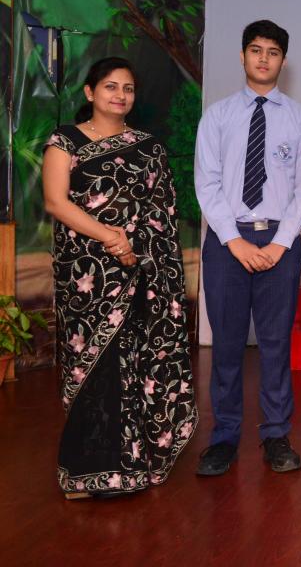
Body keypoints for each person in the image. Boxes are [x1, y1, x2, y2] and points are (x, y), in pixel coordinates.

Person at [42, 57, 197, 498]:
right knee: (96, 367)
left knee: (136, 365)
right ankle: (84, 474)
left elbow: (162, 217)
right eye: (110, 87)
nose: (120, 96)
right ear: (90, 93)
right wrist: (112, 237)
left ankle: (131, 468)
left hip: (143, 275)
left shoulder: (148, 148)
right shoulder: (65, 141)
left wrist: (146, 261)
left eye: (128, 89)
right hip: (87, 277)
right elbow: (56, 202)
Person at [193, 20, 301, 476]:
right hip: (228, 241)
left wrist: (282, 243)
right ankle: (224, 438)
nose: (264, 58)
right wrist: (235, 241)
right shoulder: (219, 116)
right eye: (255, 50)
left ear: (283, 61)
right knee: (226, 345)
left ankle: (276, 435)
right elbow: (206, 184)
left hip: (280, 244)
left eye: (272, 52)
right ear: (243, 56)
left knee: (274, 344)